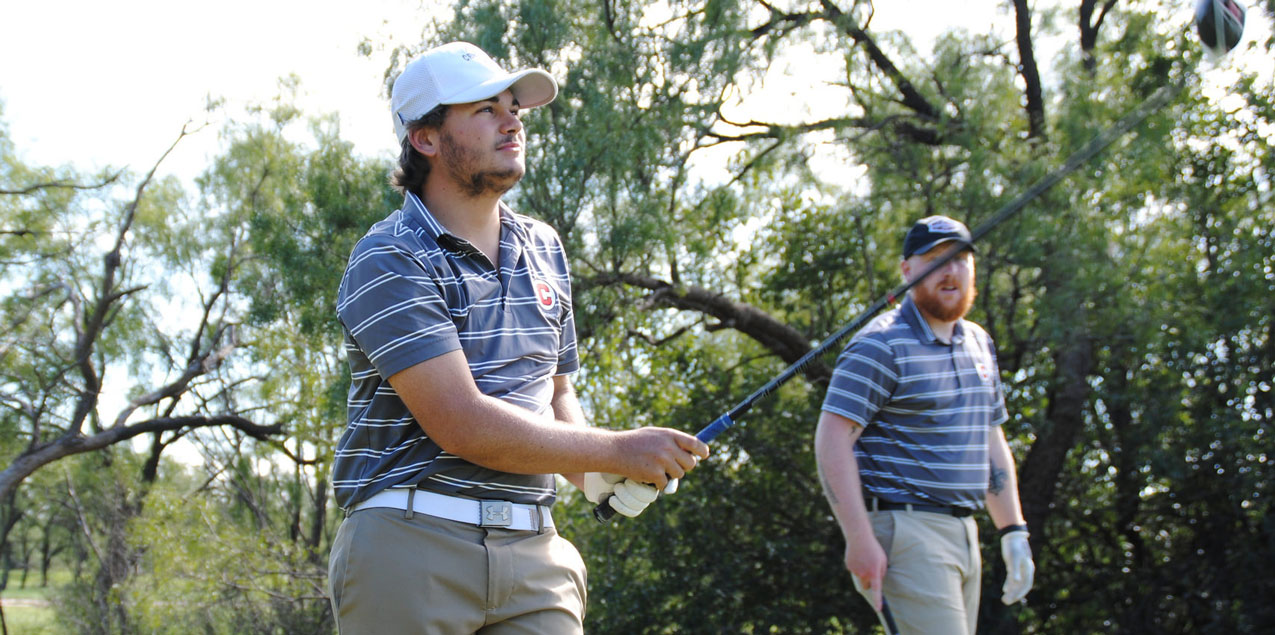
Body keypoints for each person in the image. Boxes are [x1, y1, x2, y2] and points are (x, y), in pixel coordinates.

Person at [327, 41, 709, 634]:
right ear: (425, 138)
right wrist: (616, 450)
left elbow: (555, 395)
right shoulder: (389, 257)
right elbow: (461, 421)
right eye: (484, 109)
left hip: (535, 551)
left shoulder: (544, 247)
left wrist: (595, 477)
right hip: (409, 542)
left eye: (514, 106)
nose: (512, 121)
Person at [814, 215, 1035, 634]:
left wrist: (1012, 531)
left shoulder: (979, 343)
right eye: (934, 259)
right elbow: (832, 439)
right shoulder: (880, 343)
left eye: (960, 259)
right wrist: (859, 538)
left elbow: (990, 439)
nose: (950, 271)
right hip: (905, 532)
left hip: (965, 532)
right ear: (907, 271)